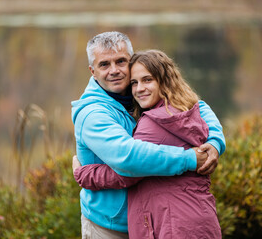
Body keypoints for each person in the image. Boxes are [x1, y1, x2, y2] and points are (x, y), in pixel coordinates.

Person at [71, 31, 225, 238]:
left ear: (132, 61)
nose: (114, 70)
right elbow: (129, 159)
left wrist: (215, 142)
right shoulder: (93, 113)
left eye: (121, 61)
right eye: (104, 64)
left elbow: (198, 106)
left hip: (153, 220)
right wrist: (189, 158)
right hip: (109, 226)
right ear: (92, 71)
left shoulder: (143, 95)